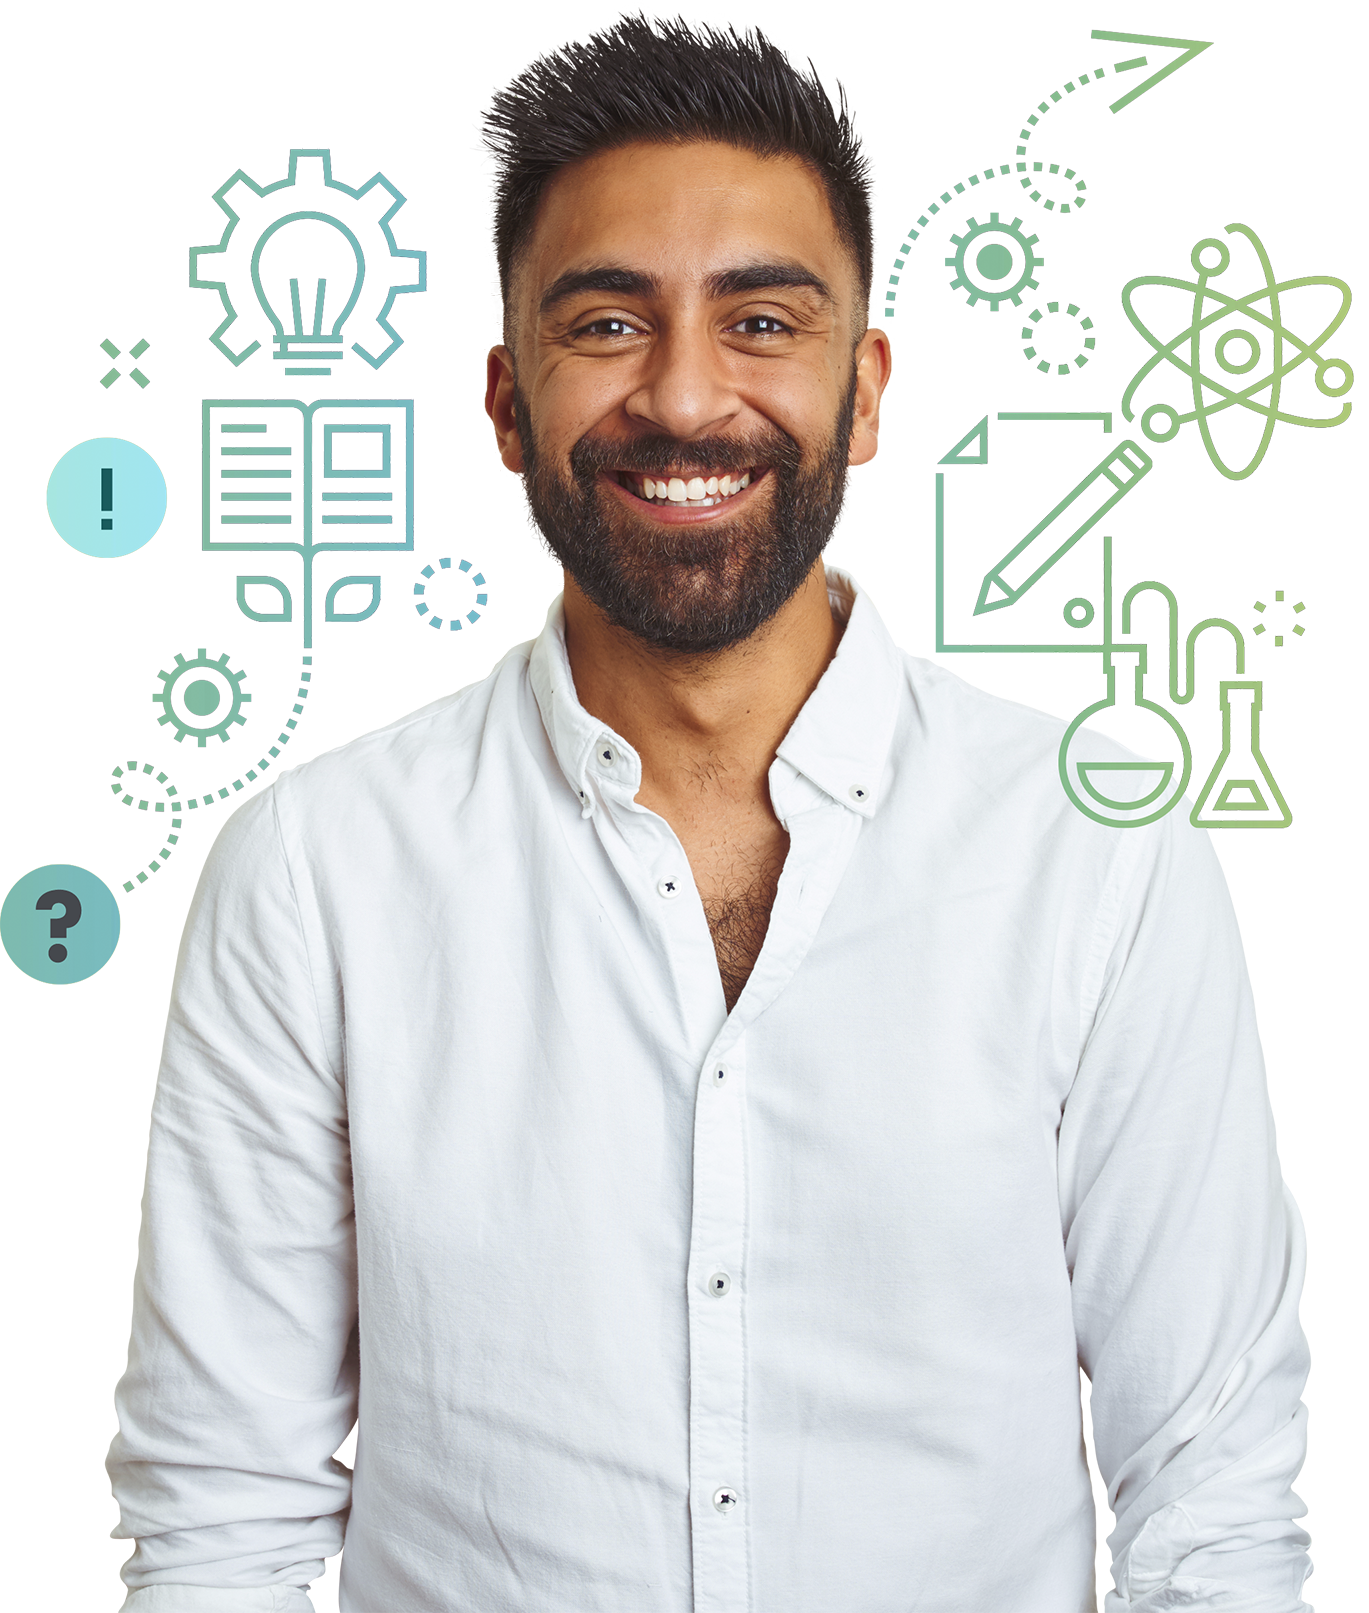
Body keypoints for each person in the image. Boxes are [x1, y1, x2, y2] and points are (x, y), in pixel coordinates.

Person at [108, 17, 1313, 1613]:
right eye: (607, 321)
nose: (685, 396)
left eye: (761, 319)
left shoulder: (1097, 864)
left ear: (867, 385)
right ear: (501, 401)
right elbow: (226, 1520)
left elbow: (1208, 1504)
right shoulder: (317, 875)